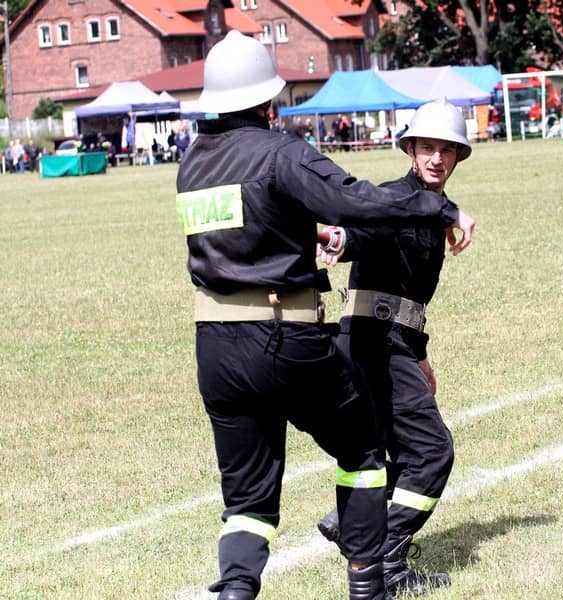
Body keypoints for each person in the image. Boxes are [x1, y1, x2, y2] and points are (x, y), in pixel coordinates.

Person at [175, 31, 474, 600]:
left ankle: (235, 589)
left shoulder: (191, 165)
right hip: (283, 337)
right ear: (268, 99)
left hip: (214, 347)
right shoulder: (279, 152)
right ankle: (372, 585)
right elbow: (351, 202)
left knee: (247, 503)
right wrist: (437, 207)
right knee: (364, 451)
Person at [314, 99, 472, 597]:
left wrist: (419, 354)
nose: (437, 159)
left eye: (448, 150)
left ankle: (355, 527)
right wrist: (340, 241)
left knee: (396, 453)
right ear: (410, 149)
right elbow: (363, 229)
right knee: (432, 451)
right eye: (428, 148)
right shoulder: (393, 200)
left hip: (394, 342)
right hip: (372, 345)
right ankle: (385, 552)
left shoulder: (434, 211)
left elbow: (410, 296)